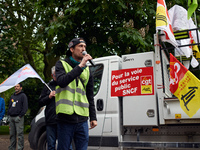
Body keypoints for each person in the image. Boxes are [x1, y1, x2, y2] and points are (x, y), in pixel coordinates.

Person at [55, 37, 97, 150]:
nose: (83, 49)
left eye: (85, 47)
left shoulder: (87, 70)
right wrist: (80, 66)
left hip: (82, 118)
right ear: (72, 49)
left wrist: (93, 117)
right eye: (80, 46)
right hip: (65, 118)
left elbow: (90, 95)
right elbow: (62, 82)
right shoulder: (61, 64)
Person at [38, 66, 58, 150]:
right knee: (51, 145)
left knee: (65, 145)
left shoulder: (65, 84)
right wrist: (49, 96)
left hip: (63, 119)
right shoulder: (47, 86)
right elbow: (40, 102)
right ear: (52, 75)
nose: (57, 76)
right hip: (51, 120)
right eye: (55, 75)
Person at [8, 83, 28, 150]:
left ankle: (20, 148)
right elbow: (10, 106)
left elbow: (25, 108)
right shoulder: (12, 96)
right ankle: (12, 148)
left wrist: (20, 116)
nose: (16, 87)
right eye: (15, 86)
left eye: (18, 86)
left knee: (20, 135)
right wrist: (8, 116)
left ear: (21, 88)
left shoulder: (23, 96)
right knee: (12, 135)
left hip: (19, 118)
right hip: (11, 118)